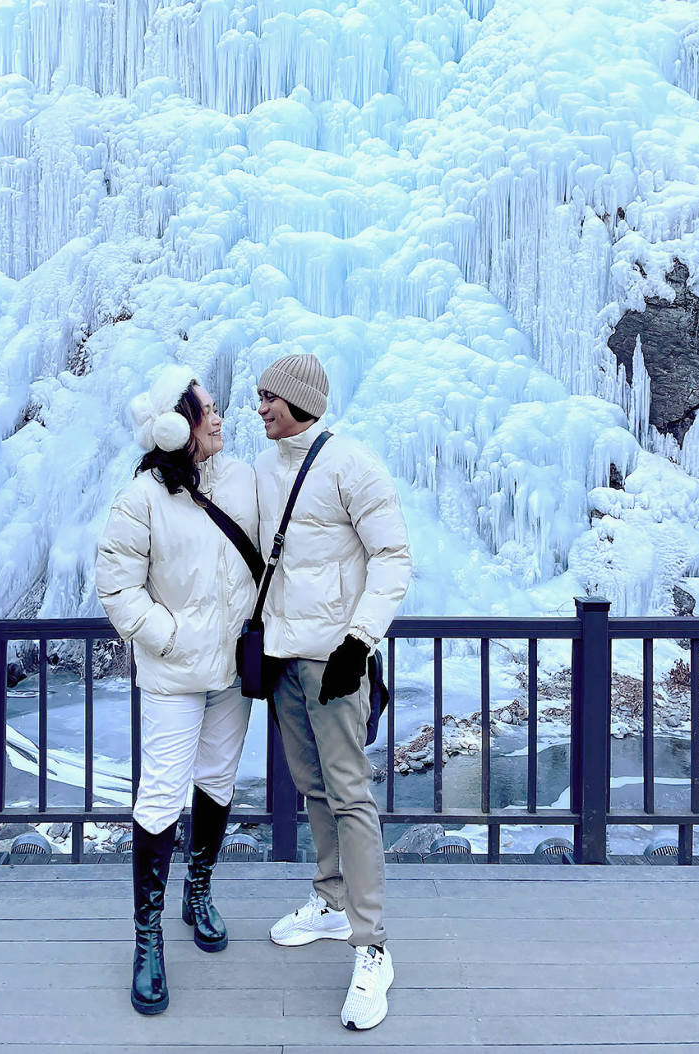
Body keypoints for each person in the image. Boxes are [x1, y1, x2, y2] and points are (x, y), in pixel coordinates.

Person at [94, 366, 260, 1016]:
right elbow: (116, 588)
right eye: (205, 411)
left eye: (216, 409)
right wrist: (168, 634)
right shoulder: (141, 498)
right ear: (174, 428)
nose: (218, 419)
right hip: (174, 672)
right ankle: (147, 939)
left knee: (218, 780)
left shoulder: (244, 479)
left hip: (234, 672)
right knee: (162, 791)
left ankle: (199, 891)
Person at [253, 353, 411, 1031]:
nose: (259, 407)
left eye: (270, 398)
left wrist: (360, 640)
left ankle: (373, 945)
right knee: (310, 785)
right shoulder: (263, 468)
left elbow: (393, 557)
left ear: (302, 402)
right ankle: (330, 898)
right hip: (283, 657)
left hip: (335, 663)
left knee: (351, 794)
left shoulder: (353, 464)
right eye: (258, 396)